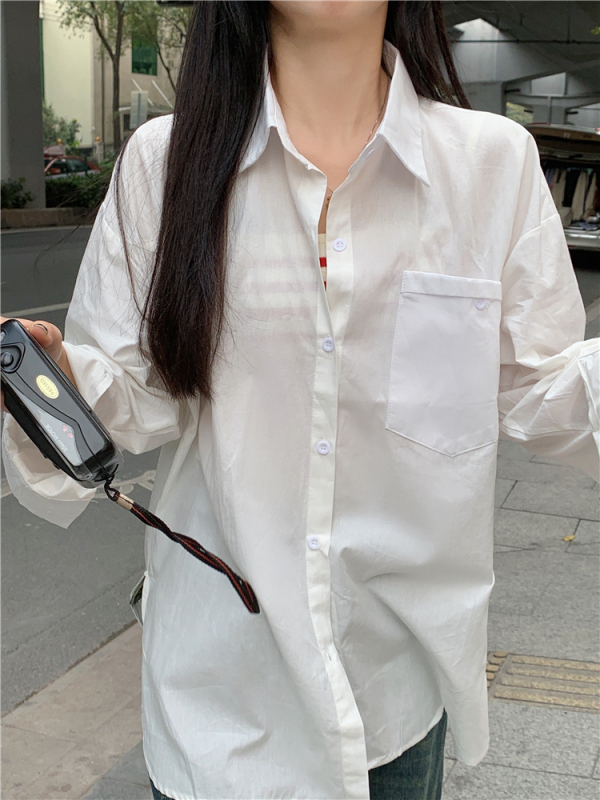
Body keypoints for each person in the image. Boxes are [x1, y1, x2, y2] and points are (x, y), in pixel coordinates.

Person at [2, 2, 598, 799]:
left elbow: (540, 386)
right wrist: (56, 383)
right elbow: (140, 393)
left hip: (393, 689)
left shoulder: (490, 164)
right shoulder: (167, 162)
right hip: (220, 702)